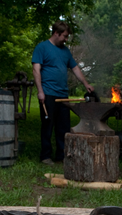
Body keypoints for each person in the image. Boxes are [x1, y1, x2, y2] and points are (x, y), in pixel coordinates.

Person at [32, 21, 94, 166]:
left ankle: (62, 156)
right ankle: (45, 156)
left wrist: (86, 84)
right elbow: (36, 70)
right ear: (56, 33)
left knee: (63, 127)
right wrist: (40, 91)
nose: (66, 39)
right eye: (64, 36)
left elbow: (76, 68)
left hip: (63, 95)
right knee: (48, 126)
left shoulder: (65, 51)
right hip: (48, 94)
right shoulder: (42, 47)